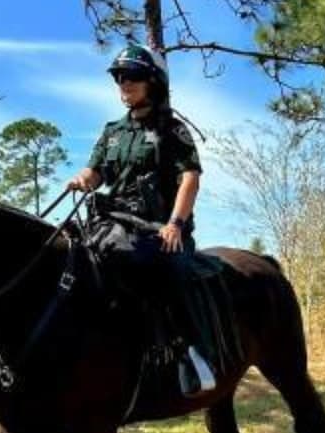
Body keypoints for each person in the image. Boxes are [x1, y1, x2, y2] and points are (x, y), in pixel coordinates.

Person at [65, 43, 215, 395]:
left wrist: (175, 224)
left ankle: (193, 355)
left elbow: (190, 178)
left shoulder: (173, 129)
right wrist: (84, 179)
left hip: (160, 228)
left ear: (152, 81)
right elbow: (97, 170)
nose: (124, 83)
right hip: (115, 221)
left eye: (132, 76)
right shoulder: (112, 130)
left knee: (172, 271)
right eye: (119, 77)